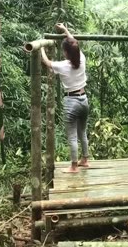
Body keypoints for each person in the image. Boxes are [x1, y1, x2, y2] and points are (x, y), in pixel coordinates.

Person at [40, 23, 90, 173]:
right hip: (84, 99)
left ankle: (74, 166)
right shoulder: (81, 59)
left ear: (66, 53)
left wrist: (41, 48)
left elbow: (47, 63)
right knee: (83, 131)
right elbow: (73, 42)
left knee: (72, 136)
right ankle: (85, 159)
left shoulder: (63, 65)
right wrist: (66, 30)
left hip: (71, 101)